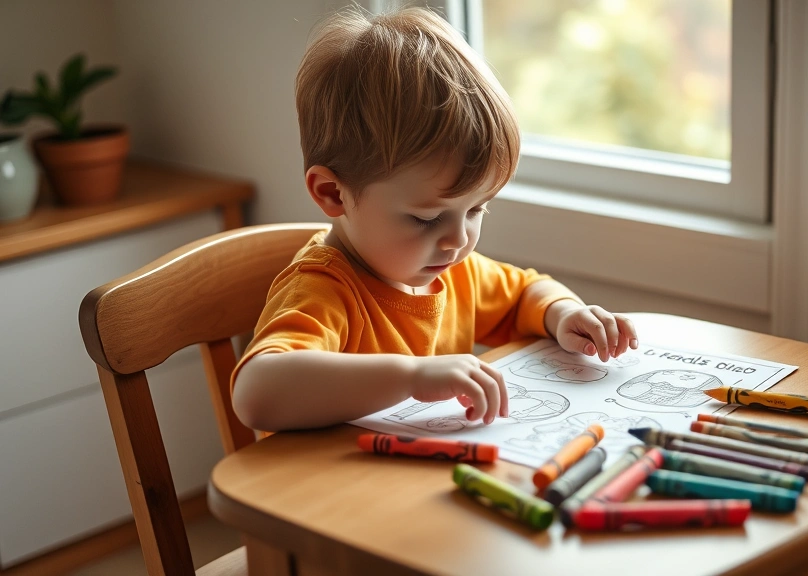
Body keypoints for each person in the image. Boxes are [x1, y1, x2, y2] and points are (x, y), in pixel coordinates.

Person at [230, 6, 639, 433]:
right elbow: (257, 394)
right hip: (319, 493)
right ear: (334, 193)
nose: (458, 239)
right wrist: (411, 377)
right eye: (426, 219)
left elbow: (524, 293)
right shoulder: (323, 289)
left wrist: (563, 312)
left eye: (477, 209)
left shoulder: (449, 272)